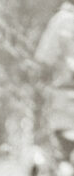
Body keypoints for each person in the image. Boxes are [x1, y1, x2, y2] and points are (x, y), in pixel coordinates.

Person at [35, 2, 74, 161]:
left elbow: (44, 61)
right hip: (66, 98)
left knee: (64, 160)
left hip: (66, 99)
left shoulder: (62, 20)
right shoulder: (64, 20)